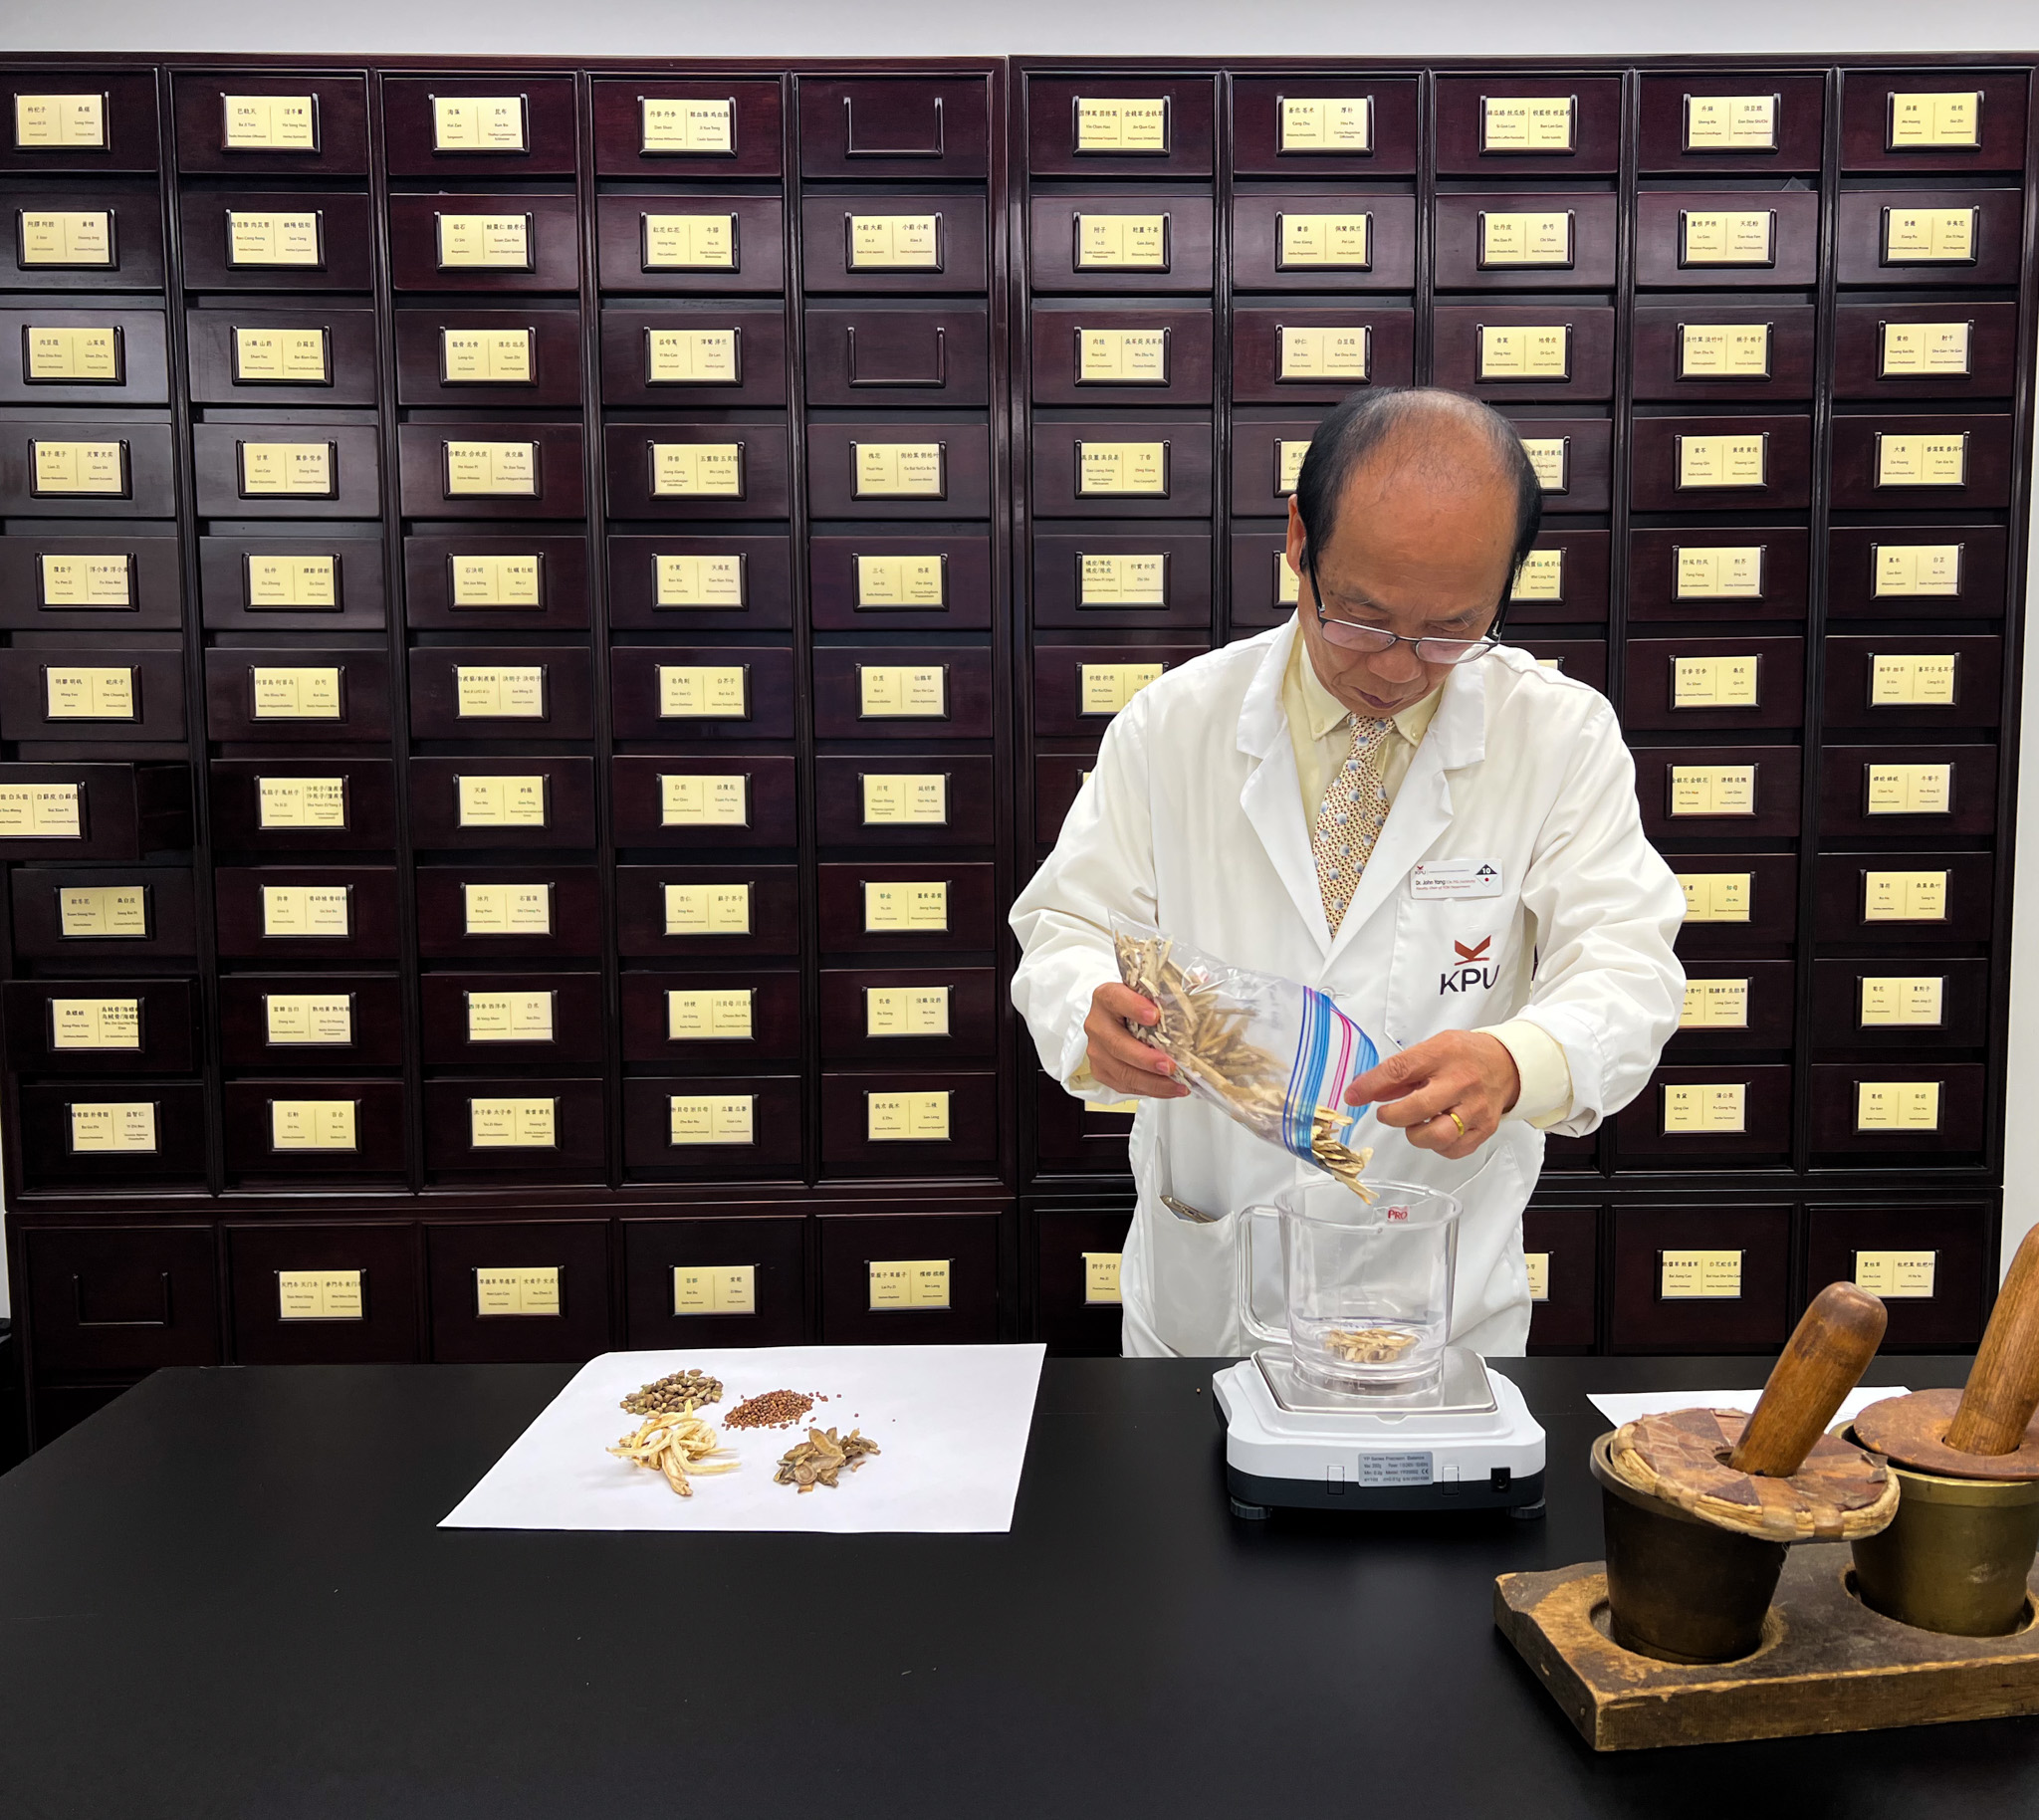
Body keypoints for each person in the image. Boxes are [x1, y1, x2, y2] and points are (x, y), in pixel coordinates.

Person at [1010, 388, 1686, 1358]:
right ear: (1297, 540)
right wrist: (1087, 1012)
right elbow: (1066, 928)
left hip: (1433, 1306)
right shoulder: (1173, 726)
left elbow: (1628, 967)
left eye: (1451, 630)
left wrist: (1516, 1060)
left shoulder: (1557, 736)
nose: (1400, 669)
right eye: (1361, 620)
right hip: (1211, 1301)